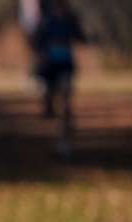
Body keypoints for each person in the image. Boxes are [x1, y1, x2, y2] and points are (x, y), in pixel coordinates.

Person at [33, 0, 85, 157]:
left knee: (66, 103)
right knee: (51, 101)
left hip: (66, 65)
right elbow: (37, 42)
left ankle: (65, 142)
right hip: (50, 68)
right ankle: (48, 105)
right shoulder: (47, 20)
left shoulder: (71, 20)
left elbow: (81, 37)